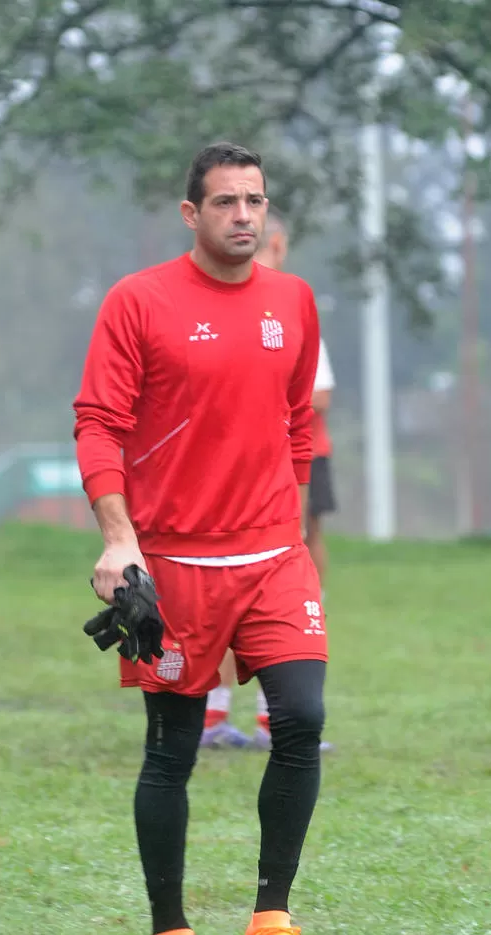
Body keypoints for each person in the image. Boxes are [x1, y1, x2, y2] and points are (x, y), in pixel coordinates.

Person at [74, 142, 328, 935]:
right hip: (175, 562)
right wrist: (119, 541)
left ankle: (270, 922)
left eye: (254, 200)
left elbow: (297, 422)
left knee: (301, 718)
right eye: (225, 201)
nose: (243, 215)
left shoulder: (293, 300)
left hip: (274, 555)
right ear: (191, 213)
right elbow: (98, 424)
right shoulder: (138, 301)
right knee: (172, 751)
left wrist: (292, 529)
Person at [200, 212, 337, 750]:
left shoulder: (292, 304)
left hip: (292, 464)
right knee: (223, 585)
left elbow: (316, 394)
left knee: (290, 580)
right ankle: (211, 717)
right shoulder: (209, 308)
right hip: (232, 471)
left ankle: (269, 720)